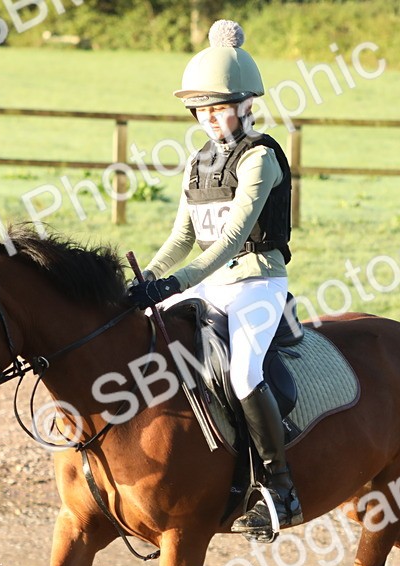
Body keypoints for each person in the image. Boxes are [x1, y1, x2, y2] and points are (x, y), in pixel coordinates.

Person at [126, 19, 302, 537]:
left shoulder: (260, 158)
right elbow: (182, 238)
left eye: (219, 108)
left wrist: (174, 284)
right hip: (207, 284)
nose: (209, 118)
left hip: (255, 284)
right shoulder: (198, 162)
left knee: (245, 372)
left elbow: (229, 242)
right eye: (201, 110)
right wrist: (145, 283)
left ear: (246, 106)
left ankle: (280, 488)